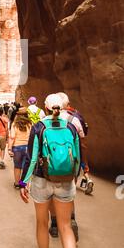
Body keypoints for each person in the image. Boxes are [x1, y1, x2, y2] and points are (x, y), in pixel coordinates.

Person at [19, 93, 81, 248]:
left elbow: (32, 157)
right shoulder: (70, 127)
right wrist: (74, 178)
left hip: (41, 179)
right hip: (65, 180)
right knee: (65, 226)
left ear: (45, 108)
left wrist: (23, 182)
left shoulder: (39, 127)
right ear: (62, 108)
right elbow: (78, 156)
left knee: (41, 222)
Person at [48, 92, 90, 240]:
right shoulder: (74, 120)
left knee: (52, 194)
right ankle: (71, 219)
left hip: (51, 164)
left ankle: (54, 224)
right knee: (68, 192)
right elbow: (82, 143)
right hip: (71, 164)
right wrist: (83, 166)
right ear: (67, 104)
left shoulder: (45, 120)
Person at [8, 108, 32, 188]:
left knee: (17, 166)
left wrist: (9, 149)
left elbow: (12, 137)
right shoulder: (30, 124)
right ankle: (23, 184)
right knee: (25, 166)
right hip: (27, 147)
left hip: (17, 147)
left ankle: (17, 183)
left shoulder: (15, 124)